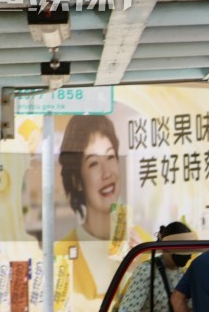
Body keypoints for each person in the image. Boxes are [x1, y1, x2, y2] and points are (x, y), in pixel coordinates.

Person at [54, 115, 151, 299]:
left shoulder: (147, 248)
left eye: (110, 157)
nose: (107, 173)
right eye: (93, 163)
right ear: (77, 180)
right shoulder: (61, 253)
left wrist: (134, 268)